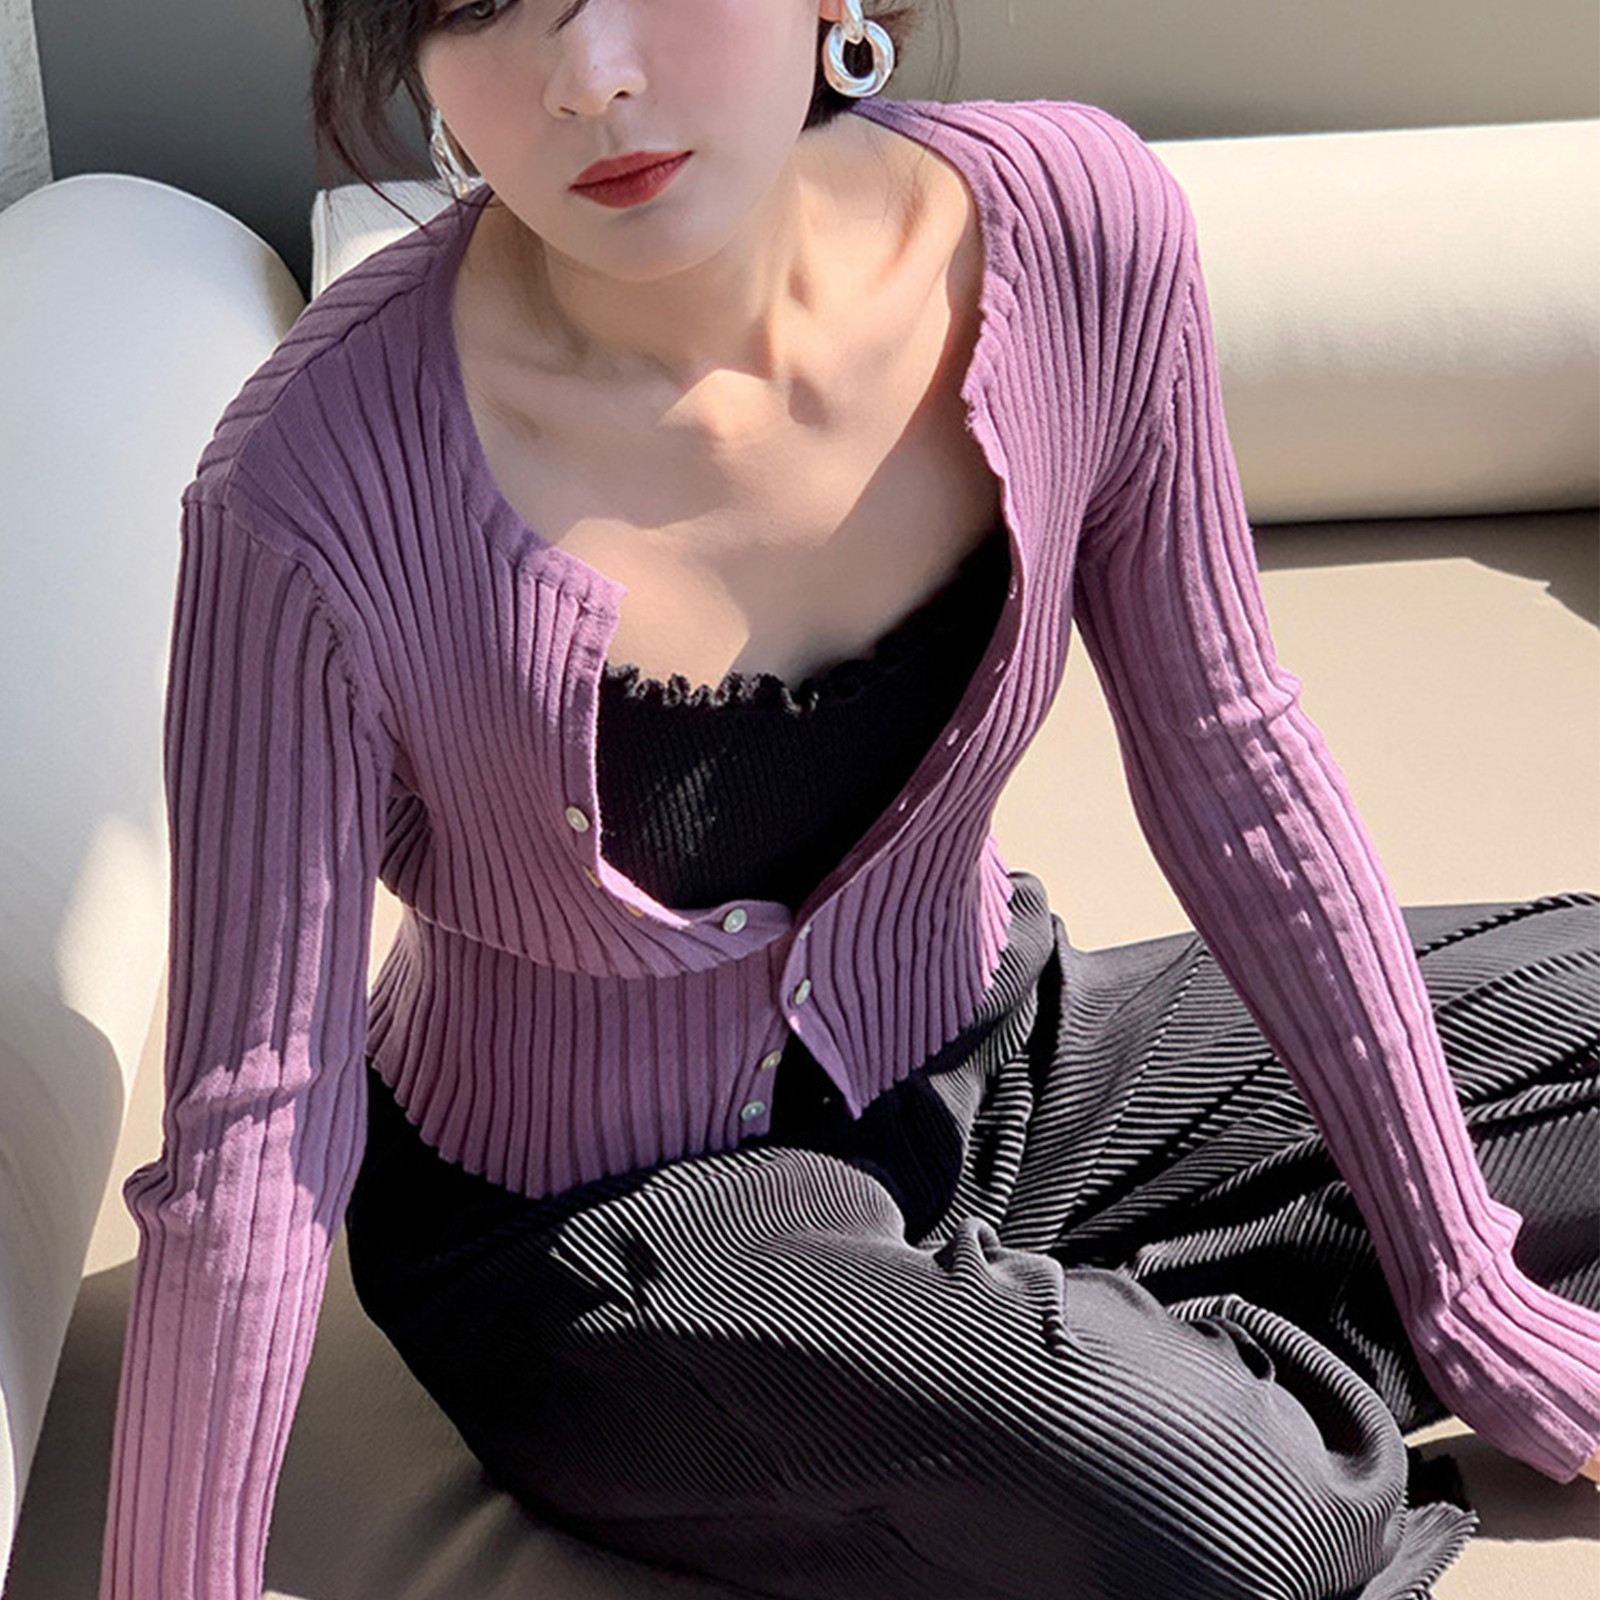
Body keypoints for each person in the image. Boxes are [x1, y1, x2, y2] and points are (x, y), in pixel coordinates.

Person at [97, 1, 1600, 1596]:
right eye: (479, 2)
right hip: (596, 1237)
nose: (591, 76)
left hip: (999, 1066)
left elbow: (1233, 753)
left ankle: (1060, 1362)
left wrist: (1468, 1287)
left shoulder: (1075, 234)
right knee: (1250, 1516)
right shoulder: (308, 488)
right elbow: (255, 1120)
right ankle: (1131, 1406)